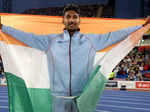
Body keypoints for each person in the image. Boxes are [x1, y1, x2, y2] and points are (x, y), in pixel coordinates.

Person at [0, 4, 150, 112]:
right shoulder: (50, 41)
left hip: (82, 98)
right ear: (63, 20)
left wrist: (142, 26)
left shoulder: (92, 41)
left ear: (79, 20)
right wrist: (3, 28)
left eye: (74, 17)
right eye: (68, 17)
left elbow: (116, 35)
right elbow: (26, 37)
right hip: (57, 98)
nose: (71, 20)